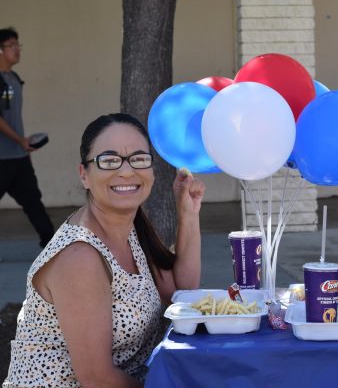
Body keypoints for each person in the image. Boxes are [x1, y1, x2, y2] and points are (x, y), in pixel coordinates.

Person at [3, 113, 205, 387]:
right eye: (109, 160)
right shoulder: (80, 257)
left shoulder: (130, 229)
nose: (126, 170)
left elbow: (182, 291)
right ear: (84, 175)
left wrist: (188, 213)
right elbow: (97, 378)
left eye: (138, 158)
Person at [0, 27, 55, 247]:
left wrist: (23, 147)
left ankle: (52, 246)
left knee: (33, 201)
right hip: (2, 159)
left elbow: (11, 117)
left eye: (17, 45)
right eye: (11, 45)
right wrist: (20, 141)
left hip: (18, 157)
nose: (17, 49)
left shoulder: (13, 78)